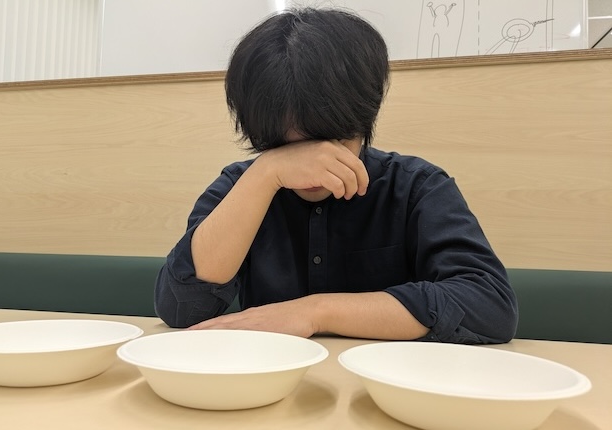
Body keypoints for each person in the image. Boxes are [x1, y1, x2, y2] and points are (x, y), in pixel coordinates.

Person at [154, 7, 518, 344]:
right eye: (285, 147)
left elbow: (490, 306)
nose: (313, 165)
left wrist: (315, 312)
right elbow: (181, 309)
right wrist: (267, 173)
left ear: (363, 118)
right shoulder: (241, 186)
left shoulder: (415, 186)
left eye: (333, 140)